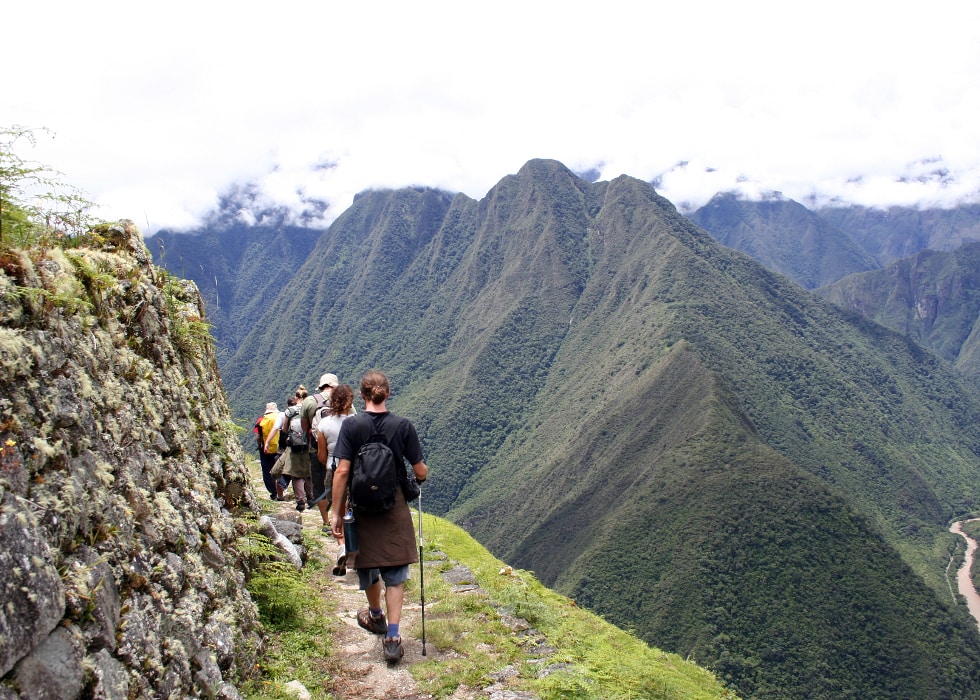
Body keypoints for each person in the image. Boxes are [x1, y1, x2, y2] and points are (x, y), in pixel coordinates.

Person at [331, 370, 428, 663]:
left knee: (368, 564)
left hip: (360, 506)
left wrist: (336, 512)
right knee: (395, 572)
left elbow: (342, 471)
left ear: (361, 396)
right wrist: (417, 481)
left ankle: (375, 615)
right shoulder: (403, 426)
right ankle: (394, 636)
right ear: (388, 394)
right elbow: (420, 470)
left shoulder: (351, 426)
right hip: (393, 504)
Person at [316, 384, 356, 575]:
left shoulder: (323, 424)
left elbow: (321, 455)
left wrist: (330, 463)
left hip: (333, 470)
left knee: (338, 510)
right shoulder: (357, 422)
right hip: (356, 470)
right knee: (354, 508)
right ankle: (355, 547)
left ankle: (342, 546)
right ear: (350, 400)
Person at [302, 373, 339, 531]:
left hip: (316, 450)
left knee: (319, 485)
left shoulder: (310, 401)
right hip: (340, 451)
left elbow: (305, 427)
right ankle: (340, 520)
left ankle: (326, 522)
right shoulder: (343, 399)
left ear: (321, 385)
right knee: (340, 484)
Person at [280, 394, 313, 511]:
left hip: (294, 446)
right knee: (309, 473)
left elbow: (284, 429)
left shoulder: (290, 411)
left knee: (296, 474)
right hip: (308, 445)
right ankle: (311, 497)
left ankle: (300, 501)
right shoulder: (309, 407)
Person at [255, 402, 282, 500]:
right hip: (280, 448)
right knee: (280, 470)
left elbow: (258, 436)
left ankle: (273, 493)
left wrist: (259, 446)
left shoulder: (261, 420)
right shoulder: (281, 417)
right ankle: (281, 492)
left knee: (267, 471)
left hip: (266, 449)